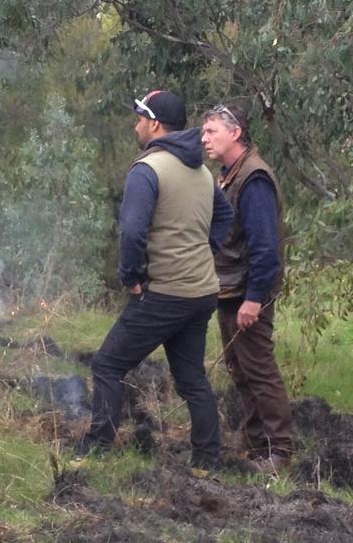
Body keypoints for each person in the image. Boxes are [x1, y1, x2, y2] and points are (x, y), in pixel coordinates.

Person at [75, 90, 233, 473]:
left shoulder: (148, 169)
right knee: (192, 377)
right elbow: (226, 217)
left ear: (155, 124)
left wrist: (132, 277)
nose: (136, 126)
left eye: (140, 119)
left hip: (164, 292)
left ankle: (97, 449)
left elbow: (131, 233)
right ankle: (206, 461)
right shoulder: (201, 171)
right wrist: (201, 250)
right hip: (201, 292)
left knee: (108, 366)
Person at [201, 103, 294, 473]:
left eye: (211, 131)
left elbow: (265, 248)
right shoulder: (230, 175)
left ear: (235, 132)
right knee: (240, 369)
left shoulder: (253, 178)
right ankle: (258, 449)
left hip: (246, 293)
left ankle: (280, 453)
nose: (204, 138)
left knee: (259, 370)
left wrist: (254, 298)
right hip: (230, 291)